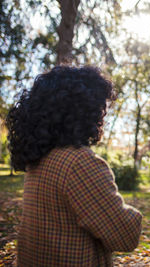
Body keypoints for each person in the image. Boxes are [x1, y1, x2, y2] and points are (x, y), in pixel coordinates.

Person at [6, 66, 142, 266]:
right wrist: (133, 214)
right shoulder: (79, 163)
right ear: (82, 111)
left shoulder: (40, 159)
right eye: (99, 108)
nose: (101, 116)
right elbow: (125, 236)